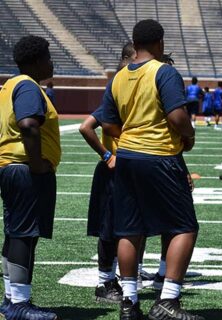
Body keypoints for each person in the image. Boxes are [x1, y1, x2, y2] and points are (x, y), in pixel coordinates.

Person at [101, 19, 203, 320]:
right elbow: (177, 115)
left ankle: (130, 302)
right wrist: (189, 135)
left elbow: (108, 124)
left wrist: (132, 138)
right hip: (159, 156)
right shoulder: (164, 71)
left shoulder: (118, 78)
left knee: (129, 228)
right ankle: (167, 299)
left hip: (128, 157)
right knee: (183, 226)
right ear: (159, 42)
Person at [0, 35, 61, 319]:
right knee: (24, 235)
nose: (51, 62)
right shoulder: (27, 86)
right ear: (36, 62)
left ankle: (11, 298)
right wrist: (37, 164)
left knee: (15, 233)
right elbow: (28, 125)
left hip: (11, 166)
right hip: (25, 168)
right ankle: (20, 304)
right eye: (48, 57)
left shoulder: (10, 85)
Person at [79, 42, 137, 304]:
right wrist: (107, 155)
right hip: (115, 171)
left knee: (127, 226)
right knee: (110, 228)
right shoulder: (117, 89)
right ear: (128, 59)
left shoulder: (129, 87)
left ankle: (118, 276)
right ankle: (105, 282)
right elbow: (86, 127)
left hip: (130, 168)